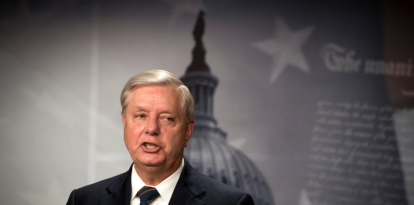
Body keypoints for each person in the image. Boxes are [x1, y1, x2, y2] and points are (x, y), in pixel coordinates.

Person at [66, 69, 255, 205]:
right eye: (141, 116)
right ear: (125, 124)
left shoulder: (232, 203)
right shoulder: (82, 200)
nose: (152, 128)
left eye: (166, 118)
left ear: (188, 131)